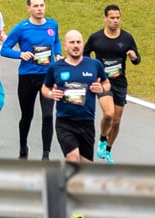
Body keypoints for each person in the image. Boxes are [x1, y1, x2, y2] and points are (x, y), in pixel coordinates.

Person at [1, 0, 62, 160]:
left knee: (48, 115)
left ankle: (46, 154)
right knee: (27, 116)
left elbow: (56, 41)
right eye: (35, 6)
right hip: (27, 77)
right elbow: (4, 49)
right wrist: (21, 54)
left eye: (42, 5)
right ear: (29, 8)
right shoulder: (22, 28)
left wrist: (58, 54)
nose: (39, 9)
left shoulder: (52, 24)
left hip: (48, 78)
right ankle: (23, 147)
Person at [42, 31, 110, 164]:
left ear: (83, 44)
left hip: (87, 121)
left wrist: (101, 89)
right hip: (65, 121)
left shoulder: (94, 64)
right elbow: (45, 88)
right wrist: (51, 94)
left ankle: (74, 183)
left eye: (78, 42)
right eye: (72, 42)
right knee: (73, 157)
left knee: (86, 166)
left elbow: (106, 83)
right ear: (65, 46)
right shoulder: (56, 67)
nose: (75, 46)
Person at [83, 5, 140, 162]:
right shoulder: (96, 38)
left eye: (118, 18)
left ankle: (108, 149)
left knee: (116, 121)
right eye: (112, 18)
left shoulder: (127, 38)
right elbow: (85, 54)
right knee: (108, 114)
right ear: (105, 18)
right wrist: (93, 68)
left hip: (120, 82)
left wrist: (134, 57)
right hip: (103, 82)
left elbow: (137, 59)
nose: (115, 21)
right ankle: (102, 139)